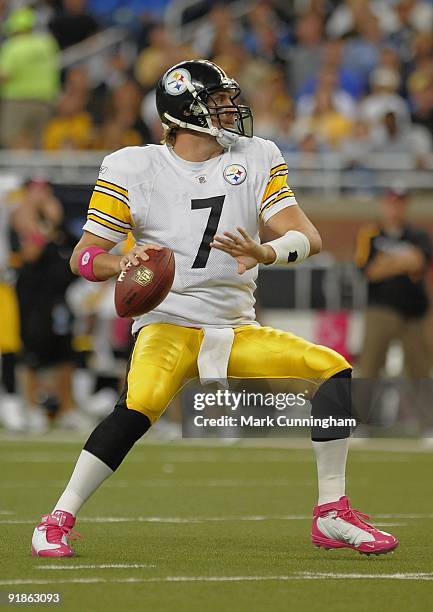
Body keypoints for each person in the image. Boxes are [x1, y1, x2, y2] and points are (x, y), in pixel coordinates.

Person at [31, 60, 398, 557]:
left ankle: (331, 512)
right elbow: (84, 257)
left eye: (228, 99)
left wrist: (268, 251)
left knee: (331, 371)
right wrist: (123, 259)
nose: (230, 109)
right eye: (217, 102)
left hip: (235, 327)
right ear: (185, 112)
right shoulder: (133, 166)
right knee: (141, 403)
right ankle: (58, 518)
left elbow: (307, 236)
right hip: (169, 321)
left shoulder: (257, 155)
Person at [355, 187, 432, 382]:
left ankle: (420, 413)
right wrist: (403, 261)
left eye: (400, 204)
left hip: (415, 312)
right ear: (383, 205)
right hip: (380, 309)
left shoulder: (418, 235)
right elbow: (368, 271)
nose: (395, 209)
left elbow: (419, 263)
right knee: (370, 368)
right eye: (391, 203)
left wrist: (386, 261)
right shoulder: (369, 234)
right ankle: (361, 413)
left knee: (419, 371)